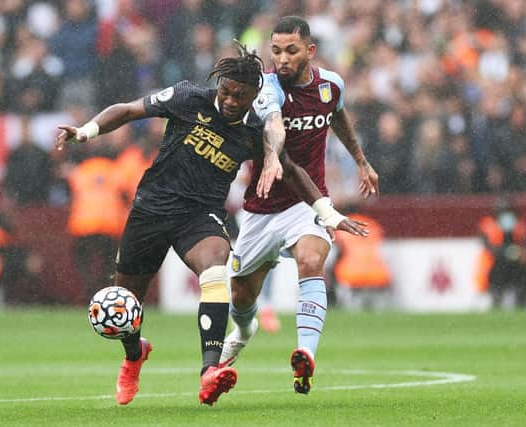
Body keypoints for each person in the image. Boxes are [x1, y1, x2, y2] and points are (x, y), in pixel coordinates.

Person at [55, 44, 366, 406]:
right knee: (127, 301)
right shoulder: (189, 97)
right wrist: (85, 131)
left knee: (215, 267)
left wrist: (327, 212)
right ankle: (133, 353)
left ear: (254, 95)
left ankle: (209, 371)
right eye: (226, 92)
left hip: (200, 216)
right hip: (151, 209)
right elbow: (127, 110)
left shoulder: (254, 130)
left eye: (241, 96)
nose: (231, 100)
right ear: (218, 86)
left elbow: (292, 170)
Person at [220, 16, 379, 395]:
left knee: (311, 261)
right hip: (260, 208)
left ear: (310, 51)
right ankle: (243, 332)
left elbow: (337, 115)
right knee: (241, 297)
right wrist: (272, 156)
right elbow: (274, 122)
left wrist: (360, 160)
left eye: (291, 51)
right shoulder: (268, 88)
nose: (282, 59)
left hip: (308, 201)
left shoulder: (331, 85)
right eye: (275, 51)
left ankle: (305, 355)